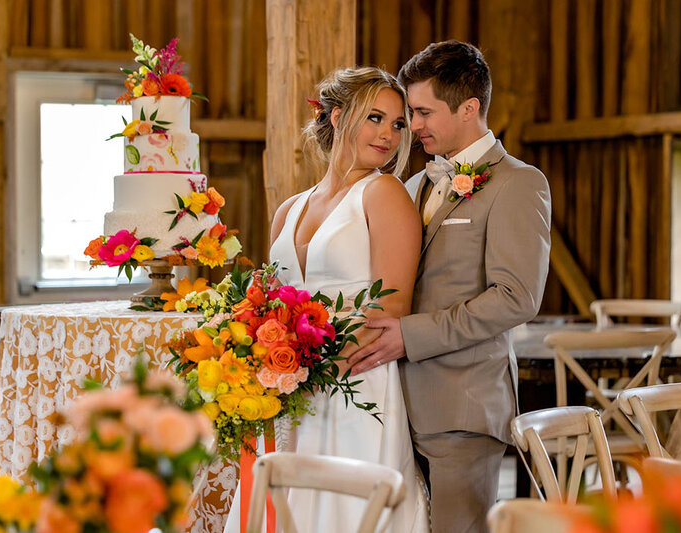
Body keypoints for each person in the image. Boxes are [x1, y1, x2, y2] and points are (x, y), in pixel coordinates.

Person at [348, 41, 552, 533]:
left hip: (463, 406)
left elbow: (516, 298)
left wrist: (409, 335)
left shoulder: (518, 184)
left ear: (469, 108)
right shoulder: (414, 184)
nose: (410, 127)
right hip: (393, 403)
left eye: (421, 112)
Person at [223, 67, 429, 532]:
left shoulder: (384, 194)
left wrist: (309, 372)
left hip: (356, 387)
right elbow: (267, 303)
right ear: (338, 117)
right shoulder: (289, 209)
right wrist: (264, 363)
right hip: (290, 392)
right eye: (375, 118)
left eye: (398, 125)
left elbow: (390, 310)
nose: (389, 135)